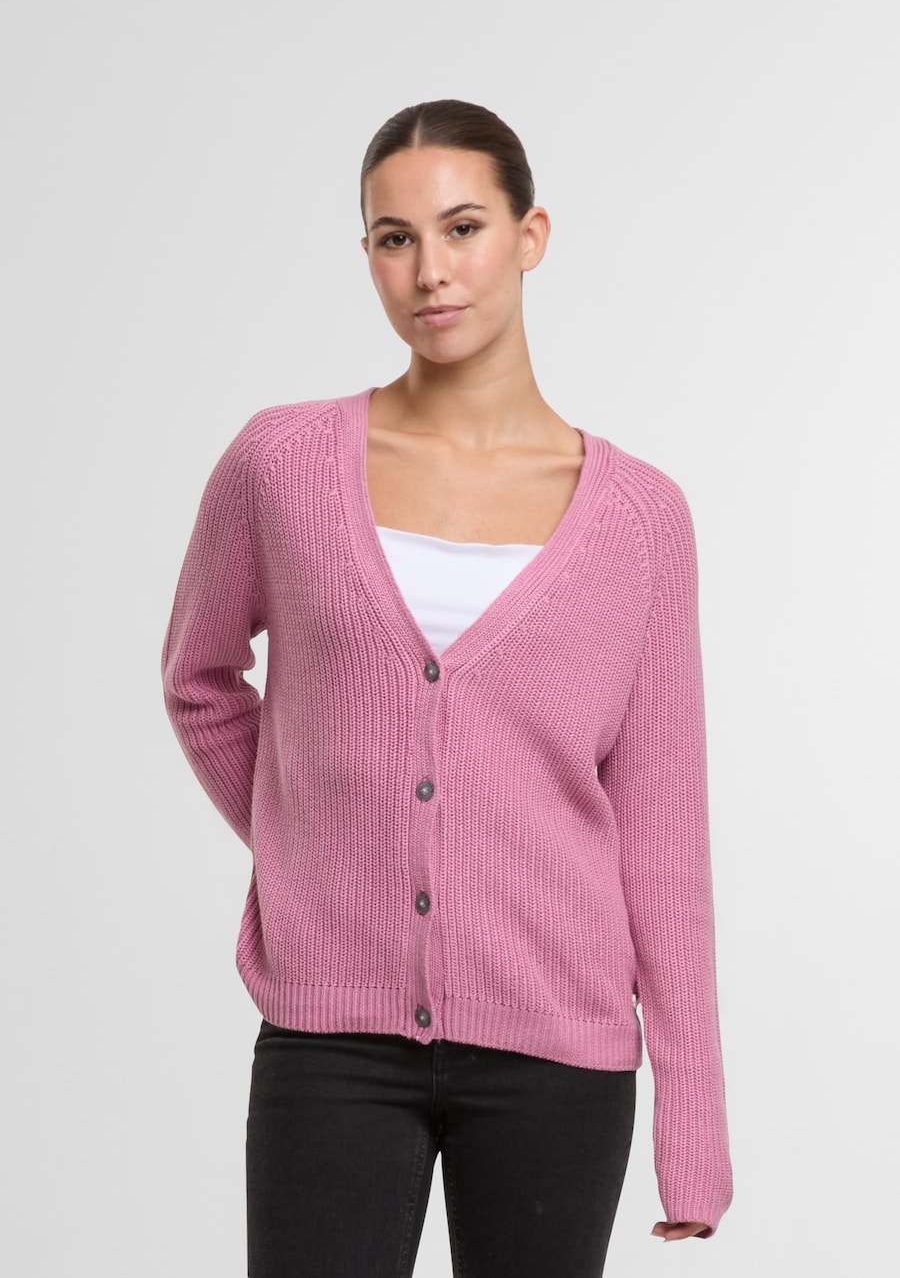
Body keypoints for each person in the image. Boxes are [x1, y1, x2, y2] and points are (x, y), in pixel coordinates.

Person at [161, 98, 733, 1277]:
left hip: (559, 1052)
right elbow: (200, 680)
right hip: (330, 1042)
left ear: (531, 236)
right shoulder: (280, 464)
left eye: (463, 227)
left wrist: (694, 1123)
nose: (430, 270)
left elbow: (663, 832)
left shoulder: (642, 522)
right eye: (394, 237)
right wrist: (315, 841)